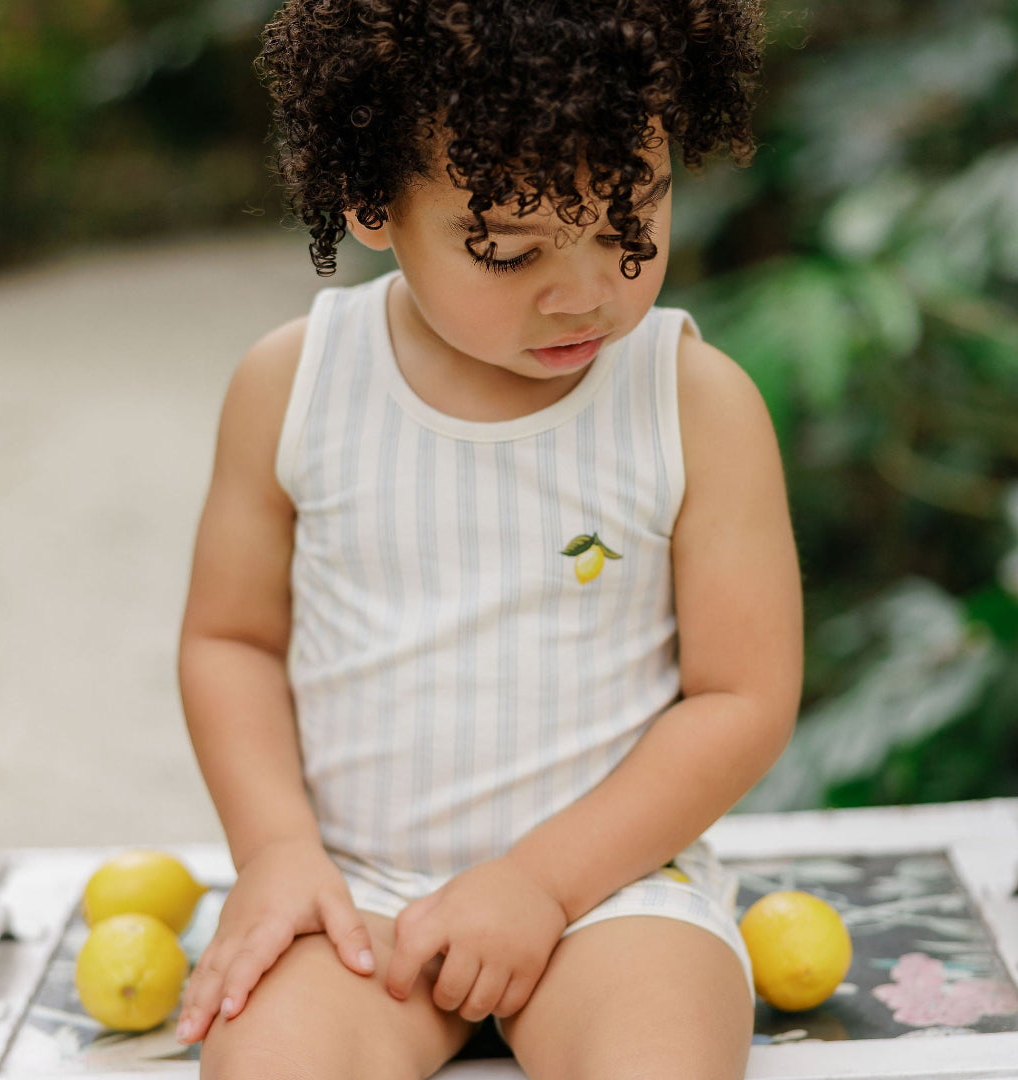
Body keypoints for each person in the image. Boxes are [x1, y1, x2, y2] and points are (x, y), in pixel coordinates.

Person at [175, 1, 802, 1077]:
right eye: (511, 252)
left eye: (628, 224)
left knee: (661, 1052)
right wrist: (278, 852)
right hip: (357, 886)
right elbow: (231, 642)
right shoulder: (294, 386)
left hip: (611, 891)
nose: (586, 295)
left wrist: (543, 884)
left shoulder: (693, 401)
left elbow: (740, 696)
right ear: (372, 202)